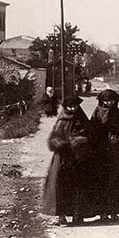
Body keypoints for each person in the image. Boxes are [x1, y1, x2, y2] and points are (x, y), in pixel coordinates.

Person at [42, 95, 96, 225]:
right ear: (65, 107)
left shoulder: (82, 119)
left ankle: (78, 215)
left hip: (79, 158)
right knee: (61, 187)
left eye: (75, 106)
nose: (72, 109)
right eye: (69, 106)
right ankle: (61, 216)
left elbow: (91, 135)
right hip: (63, 159)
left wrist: (81, 140)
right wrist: (61, 143)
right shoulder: (61, 121)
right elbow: (53, 139)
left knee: (79, 186)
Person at [90, 89, 119, 222]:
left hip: (116, 153)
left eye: (111, 100)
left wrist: (118, 139)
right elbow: (91, 131)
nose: (109, 103)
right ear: (101, 101)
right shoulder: (97, 113)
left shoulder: (118, 115)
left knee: (116, 182)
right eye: (106, 100)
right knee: (101, 182)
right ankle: (102, 212)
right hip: (101, 153)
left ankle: (114, 211)